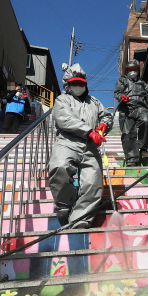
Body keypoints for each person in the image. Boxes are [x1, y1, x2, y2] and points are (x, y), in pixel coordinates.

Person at [48, 62, 113, 229]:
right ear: (68, 85)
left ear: (85, 84)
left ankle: (81, 218)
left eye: (81, 83)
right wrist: (88, 131)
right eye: (74, 83)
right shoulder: (62, 100)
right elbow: (64, 119)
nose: (78, 86)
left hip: (91, 146)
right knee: (59, 167)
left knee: (93, 182)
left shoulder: (95, 102)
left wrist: (104, 126)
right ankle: (64, 204)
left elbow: (106, 116)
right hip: (67, 142)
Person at [113, 60, 148, 166]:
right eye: (130, 69)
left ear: (138, 70)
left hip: (141, 108)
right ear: (127, 70)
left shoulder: (142, 83)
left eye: (134, 69)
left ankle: (143, 149)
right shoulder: (122, 80)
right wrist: (122, 97)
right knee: (128, 133)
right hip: (126, 109)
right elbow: (117, 92)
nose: (132, 71)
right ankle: (131, 159)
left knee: (146, 121)